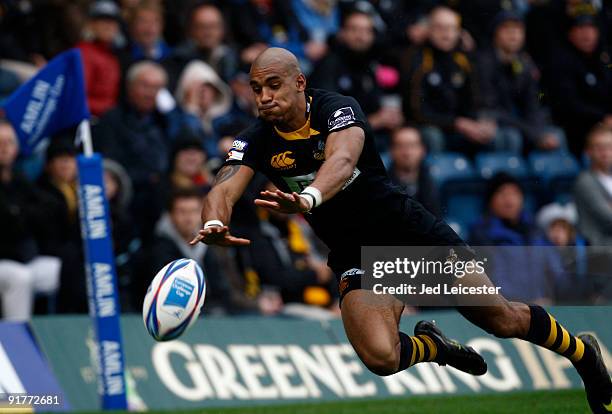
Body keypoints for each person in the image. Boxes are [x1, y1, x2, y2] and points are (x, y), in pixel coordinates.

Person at [189, 47, 612, 413]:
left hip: (409, 235)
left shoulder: (337, 108)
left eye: (273, 85)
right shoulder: (257, 138)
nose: (264, 97)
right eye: (256, 88)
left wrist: (308, 198)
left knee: (502, 320)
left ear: (299, 82)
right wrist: (212, 220)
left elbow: (341, 161)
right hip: (356, 255)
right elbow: (224, 185)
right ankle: (436, 348)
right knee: (380, 357)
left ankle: (582, 353)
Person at [401, 6, 520, 155]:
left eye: (451, 28)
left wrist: (481, 122)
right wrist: (457, 123)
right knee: (433, 137)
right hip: (432, 126)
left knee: (503, 137)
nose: (446, 34)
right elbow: (416, 112)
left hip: (461, 127)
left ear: (459, 32)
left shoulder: (463, 59)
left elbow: (475, 100)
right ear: (429, 30)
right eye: (440, 28)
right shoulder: (416, 59)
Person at [469, 173, 566, 304]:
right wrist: (524, 304)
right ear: (490, 200)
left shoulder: (536, 231)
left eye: (514, 194)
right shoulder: (481, 235)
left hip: (544, 307)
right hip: (508, 310)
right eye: (502, 194)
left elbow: (556, 271)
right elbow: (490, 280)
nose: (509, 200)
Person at [477, 11, 566, 151]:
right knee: (512, 137)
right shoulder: (483, 63)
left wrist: (538, 130)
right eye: (506, 28)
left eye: (518, 29)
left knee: (557, 134)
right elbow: (490, 108)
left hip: (521, 124)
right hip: (495, 123)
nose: (513, 34)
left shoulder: (525, 63)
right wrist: (534, 134)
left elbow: (534, 102)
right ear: (495, 33)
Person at [0, 121, 61, 321]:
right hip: (7, 263)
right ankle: (19, 345)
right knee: (20, 278)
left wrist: (19, 214)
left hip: (23, 258)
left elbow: (50, 210)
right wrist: (19, 216)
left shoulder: (18, 178)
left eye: (9, 142)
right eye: (0, 142)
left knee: (62, 269)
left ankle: (69, 337)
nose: (4, 148)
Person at [310, 8, 403, 132]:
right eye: (354, 29)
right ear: (342, 33)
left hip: (373, 134)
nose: (361, 36)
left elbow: (376, 104)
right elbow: (328, 116)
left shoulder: (370, 65)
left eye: (367, 31)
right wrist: (373, 121)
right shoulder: (329, 64)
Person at [547, 11, 612, 155]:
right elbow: (569, 104)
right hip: (577, 127)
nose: (587, 34)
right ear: (570, 33)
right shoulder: (561, 61)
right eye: (581, 29)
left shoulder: (604, 59)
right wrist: (602, 118)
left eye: (591, 28)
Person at [77, 0, 122, 117]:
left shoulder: (113, 54)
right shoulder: (83, 53)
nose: (108, 25)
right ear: (91, 24)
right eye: (102, 20)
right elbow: (77, 98)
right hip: (90, 120)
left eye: (112, 21)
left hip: (108, 118)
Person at [388, 126, 441, 217]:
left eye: (412, 146)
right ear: (392, 151)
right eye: (400, 146)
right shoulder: (383, 185)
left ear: (423, 150)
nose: (406, 152)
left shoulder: (432, 183)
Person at [574, 124, 612, 245]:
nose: (604, 152)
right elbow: (607, 217)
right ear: (588, 152)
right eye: (599, 147)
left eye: (609, 146)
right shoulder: (585, 181)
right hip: (599, 248)